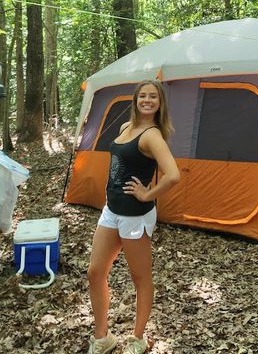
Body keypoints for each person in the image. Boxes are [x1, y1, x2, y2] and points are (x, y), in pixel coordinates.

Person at [87, 80, 181, 354]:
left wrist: (147, 194)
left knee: (140, 278)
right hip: (112, 210)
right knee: (95, 272)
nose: (147, 100)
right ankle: (103, 338)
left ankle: (138, 338)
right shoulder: (125, 128)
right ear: (136, 100)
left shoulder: (152, 135)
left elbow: (173, 175)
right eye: (143, 96)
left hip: (135, 217)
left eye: (153, 97)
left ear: (159, 103)